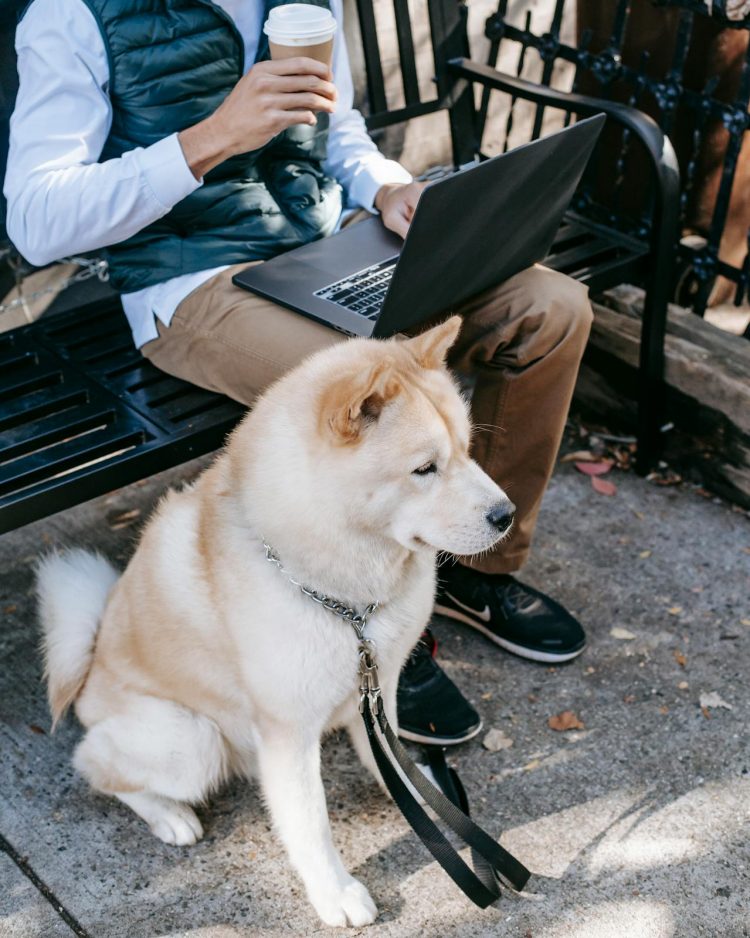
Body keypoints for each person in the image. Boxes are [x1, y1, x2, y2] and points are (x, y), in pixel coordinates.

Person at [4, 0, 593, 747]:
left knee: (550, 306)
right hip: (193, 282)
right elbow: (36, 217)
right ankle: (375, 638)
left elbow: (335, 127)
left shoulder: (299, 4)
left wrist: (386, 188)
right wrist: (211, 139)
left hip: (327, 244)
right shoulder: (73, 16)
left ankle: (476, 569)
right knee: (356, 394)